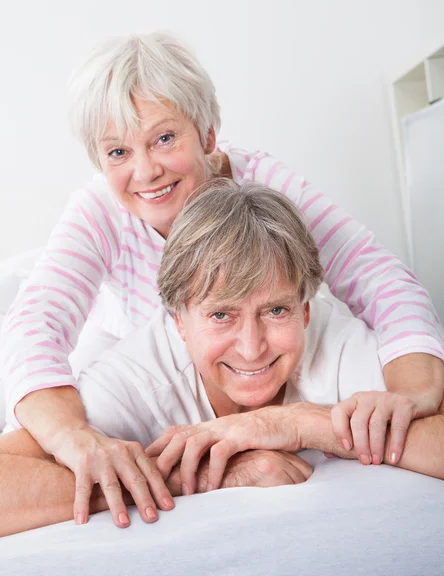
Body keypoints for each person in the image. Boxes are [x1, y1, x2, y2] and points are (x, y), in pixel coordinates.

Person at [0, 32, 443, 529]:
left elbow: (374, 273)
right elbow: (35, 323)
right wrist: (73, 438)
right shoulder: (135, 356)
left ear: (208, 136)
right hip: (131, 343)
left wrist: (415, 394)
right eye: (118, 152)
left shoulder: (267, 197)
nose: (146, 170)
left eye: (164, 138)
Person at [1, 180, 443, 538]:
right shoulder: (138, 374)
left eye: (276, 310)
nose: (252, 348)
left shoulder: (338, 344)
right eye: (220, 315)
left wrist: (297, 423)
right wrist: (189, 477)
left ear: (305, 310)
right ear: (179, 322)